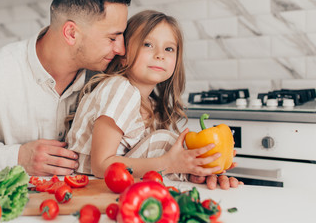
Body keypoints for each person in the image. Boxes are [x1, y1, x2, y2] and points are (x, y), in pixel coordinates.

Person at [0, 0, 131, 176]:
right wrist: (17, 158)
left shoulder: (108, 77)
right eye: (112, 38)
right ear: (72, 33)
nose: (121, 50)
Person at [66, 10, 242, 189]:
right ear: (124, 55)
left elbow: (147, 167)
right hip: (89, 184)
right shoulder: (119, 89)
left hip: (117, 186)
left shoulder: (152, 106)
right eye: (148, 44)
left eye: (169, 48)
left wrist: (189, 168)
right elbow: (100, 165)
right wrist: (169, 163)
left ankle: (201, 174)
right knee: (164, 141)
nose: (160, 54)